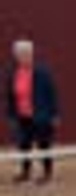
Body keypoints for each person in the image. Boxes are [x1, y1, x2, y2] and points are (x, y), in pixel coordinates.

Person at [5, 39, 59, 186]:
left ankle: (47, 174)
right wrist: (11, 116)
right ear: (16, 56)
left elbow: (52, 93)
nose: (24, 56)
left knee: (44, 145)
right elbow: (11, 96)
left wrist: (54, 114)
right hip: (22, 117)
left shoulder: (42, 72)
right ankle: (25, 173)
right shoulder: (13, 74)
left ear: (32, 54)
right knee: (24, 145)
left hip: (41, 116)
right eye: (20, 54)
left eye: (26, 53)